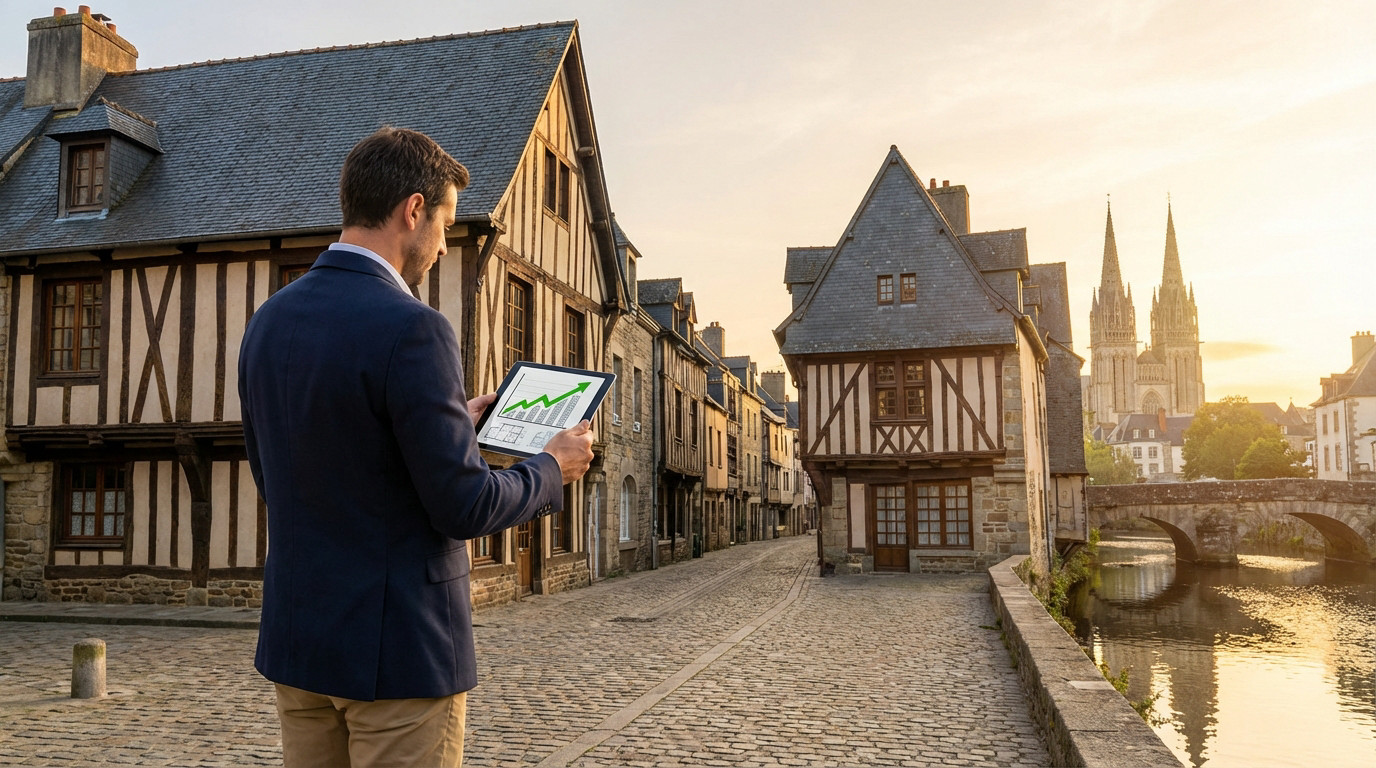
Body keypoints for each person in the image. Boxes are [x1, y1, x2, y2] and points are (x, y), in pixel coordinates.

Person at [239, 126, 594, 767]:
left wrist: (448, 421)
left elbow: (287, 472)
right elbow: (463, 506)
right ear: (412, 210)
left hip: (300, 644)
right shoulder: (415, 327)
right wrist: (551, 467)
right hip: (397, 654)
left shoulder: (269, 320)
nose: (441, 244)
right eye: (445, 223)